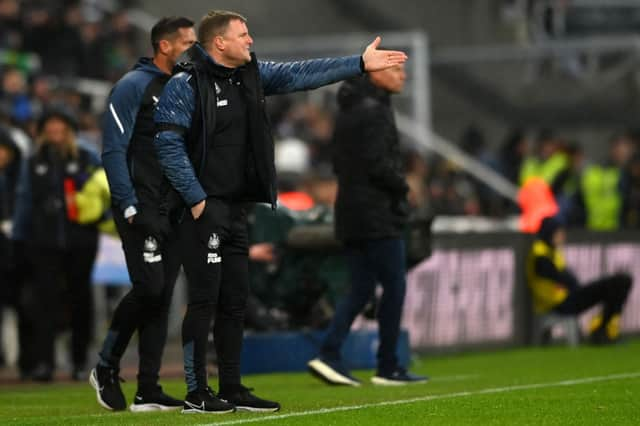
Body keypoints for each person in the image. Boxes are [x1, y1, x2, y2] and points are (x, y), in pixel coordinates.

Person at [153, 9, 407, 414]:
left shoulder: (250, 75)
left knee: (236, 299)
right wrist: (197, 199)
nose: (251, 40)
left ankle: (231, 386)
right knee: (204, 300)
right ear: (220, 42)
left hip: (238, 208)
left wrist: (357, 64)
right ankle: (196, 390)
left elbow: (301, 73)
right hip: (201, 208)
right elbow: (167, 145)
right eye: (243, 34)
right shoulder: (186, 84)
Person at [89, 17, 196, 412]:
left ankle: (148, 388)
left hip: (173, 207)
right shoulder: (133, 86)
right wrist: (130, 205)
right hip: (140, 206)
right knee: (150, 288)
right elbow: (113, 149)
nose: (193, 48)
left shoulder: (186, 88)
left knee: (162, 297)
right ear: (164, 47)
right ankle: (105, 365)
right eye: (187, 42)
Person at [306, 65, 427, 386]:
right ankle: (387, 366)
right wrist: (403, 188)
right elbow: (380, 164)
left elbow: (339, 162)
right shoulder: (375, 112)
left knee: (361, 288)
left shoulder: (348, 110)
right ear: (376, 75)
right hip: (376, 213)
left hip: (350, 210)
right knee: (394, 286)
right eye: (396, 70)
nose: (403, 75)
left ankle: (330, 353)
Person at [12, 109, 101, 381]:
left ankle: (79, 361)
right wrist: (19, 236)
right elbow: (25, 200)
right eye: (50, 128)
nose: (55, 133)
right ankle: (45, 363)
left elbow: (104, 190)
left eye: (60, 128)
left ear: (69, 130)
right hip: (44, 242)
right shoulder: (33, 161)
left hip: (81, 240)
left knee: (80, 300)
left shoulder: (86, 157)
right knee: (44, 303)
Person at [527, 216, 633, 344]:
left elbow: (567, 279)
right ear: (550, 233)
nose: (563, 236)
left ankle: (602, 329)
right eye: (559, 233)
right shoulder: (540, 255)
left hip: (565, 299)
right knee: (619, 283)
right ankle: (600, 331)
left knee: (620, 283)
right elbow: (564, 279)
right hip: (559, 304)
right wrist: (574, 285)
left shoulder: (550, 251)